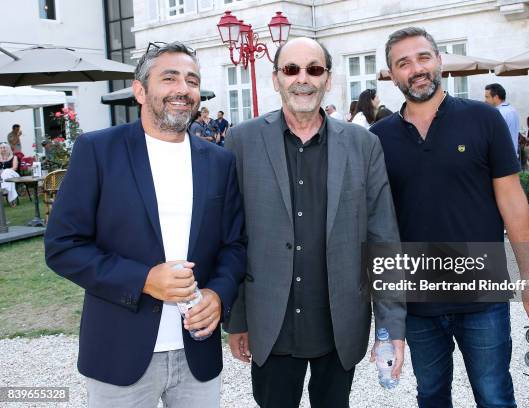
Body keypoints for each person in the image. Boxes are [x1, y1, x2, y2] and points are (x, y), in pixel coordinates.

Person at [44, 42, 247, 407]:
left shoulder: (219, 162)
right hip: (119, 353)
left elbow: (234, 245)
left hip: (196, 354)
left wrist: (218, 294)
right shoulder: (98, 150)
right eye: (169, 78)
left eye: (191, 80)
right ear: (140, 90)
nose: (182, 89)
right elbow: (62, 246)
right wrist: (144, 281)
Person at [370, 27, 529, 408]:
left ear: (439, 61)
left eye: (423, 57)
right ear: (391, 74)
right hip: (418, 301)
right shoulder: (377, 139)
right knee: (432, 396)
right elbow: (374, 226)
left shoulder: (482, 120)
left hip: (482, 295)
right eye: (403, 63)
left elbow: (513, 204)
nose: (416, 69)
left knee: (494, 396)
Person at [224, 37, 405, 408]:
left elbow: (383, 239)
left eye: (314, 69)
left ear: (328, 79)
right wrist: (238, 319)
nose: (302, 78)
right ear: (275, 79)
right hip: (270, 324)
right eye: (291, 69)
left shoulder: (363, 145)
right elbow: (233, 238)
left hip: (340, 324)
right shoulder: (241, 141)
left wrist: (389, 329)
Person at [485, 83, 520, 157]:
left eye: (487, 97)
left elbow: (492, 136)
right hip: (511, 154)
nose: (485, 100)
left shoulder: (498, 112)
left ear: (496, 97)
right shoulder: (512, 109)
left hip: (502, 155)